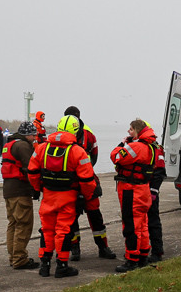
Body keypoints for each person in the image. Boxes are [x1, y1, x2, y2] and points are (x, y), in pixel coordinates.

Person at [27, 115, 98, 278]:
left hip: (48, 196)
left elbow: (32, 172)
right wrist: (86, 196)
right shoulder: (78, 152)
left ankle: (44, 265)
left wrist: (38, 188)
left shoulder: (41, 148)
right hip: (68, 197)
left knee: (47, 230)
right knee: (63, 231)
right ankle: (62, 266)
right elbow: (88, 180)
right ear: (76, 130)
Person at [64, 105, 116, 261]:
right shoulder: (88, 135)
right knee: (85, 217)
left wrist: (83, 171)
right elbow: (94, 157)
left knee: (88, 217)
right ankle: (88, 247)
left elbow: (93, 157)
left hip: (81, 182)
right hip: (79, 182)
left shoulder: (88, 136)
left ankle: (91, 247)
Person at [111, 119, 159, 272]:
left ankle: (131, 260)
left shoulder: (135, 147)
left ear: (137, 131)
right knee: (143, 224)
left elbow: (115, 157)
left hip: (131, 190)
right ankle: (143, 255)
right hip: (143, 189)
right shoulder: (151, 147)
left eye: (131, 129)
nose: (128, 132)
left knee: (131, 226)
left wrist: (122, 144)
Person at [1, 122, 39, 270]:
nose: (35, 137)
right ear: (27, 134)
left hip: (8, 190)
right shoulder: (23, 146)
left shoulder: (10, 144)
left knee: (13, 224)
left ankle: (13, 257)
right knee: (24, 224)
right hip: (20, 191)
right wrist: (36, 187)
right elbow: (30, 168)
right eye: (33, 134)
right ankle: (20, 259)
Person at [145, 123, 167, 263]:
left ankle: (157, 251)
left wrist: (153, 191)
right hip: (142, 189)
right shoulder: (145, 147)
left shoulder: (156, 149)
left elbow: (160, 172)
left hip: (150, 190)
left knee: (153, 221)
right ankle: (144, 250)